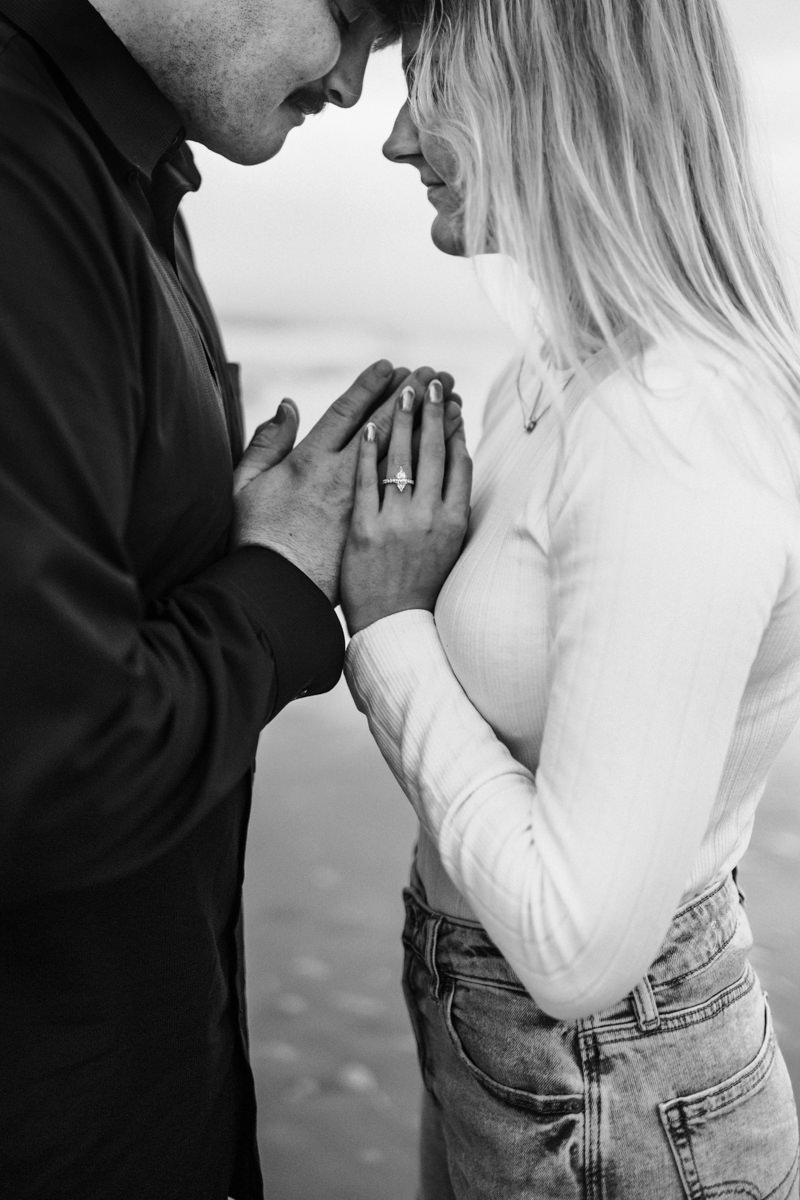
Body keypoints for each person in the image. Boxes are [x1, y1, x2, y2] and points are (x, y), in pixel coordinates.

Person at [0, 2, 464, 1197]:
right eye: (348, 18)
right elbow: (53, 767)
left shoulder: (123, 169)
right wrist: (279, 581)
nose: (351, 87)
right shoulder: (21, 178)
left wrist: (232, 545)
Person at [340, 0, 800, 1195]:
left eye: (433, 86)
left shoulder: (674, 428)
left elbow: (576, 947)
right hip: (514, 1058)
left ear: (547, 99)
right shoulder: (551, 376)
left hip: (610, 1093)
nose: (396, 138)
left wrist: (387, 628)